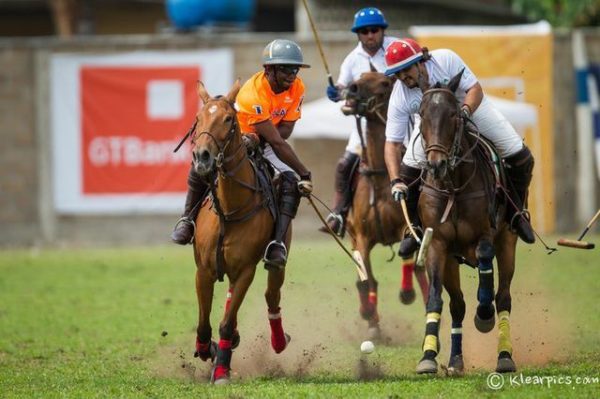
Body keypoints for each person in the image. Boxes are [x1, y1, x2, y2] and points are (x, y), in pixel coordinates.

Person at [382, 38, 536, 255]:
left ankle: (515, 213)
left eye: (405, 69)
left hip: (470, 110)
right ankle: (414, 228)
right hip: (432, 124)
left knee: (521, 157)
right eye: (396, 73)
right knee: (407, 175)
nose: (402, 77)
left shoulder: (445, 58)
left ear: (419, 62)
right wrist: (395, 181)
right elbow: (392, 143)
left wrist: (464, 112)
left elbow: (475, 89)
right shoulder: (400, 95)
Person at [171, 39, 313, 270]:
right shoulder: (252, 93)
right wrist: (305, 172)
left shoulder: (298, 87)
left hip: (266, 140)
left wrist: (296, 173)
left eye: (295, 68)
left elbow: (285, 131)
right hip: (238, 141)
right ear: (269, 70)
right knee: (201, 166)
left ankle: (277, 244)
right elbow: (278, 140)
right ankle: (187, 219)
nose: (292, 74)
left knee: (289, 181)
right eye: (286, 69)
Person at [320, 7, 398, 237]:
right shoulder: (352, 60)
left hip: (403, 120)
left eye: (374, 30)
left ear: (382, 31)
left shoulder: (395, 49)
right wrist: (338, 93)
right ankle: (339, 212)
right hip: (367, 127)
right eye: (364, 32)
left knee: (423, 159)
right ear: (358, 35)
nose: (370, 35)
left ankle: (427, 210)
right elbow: (345, 89)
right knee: (344, 166)